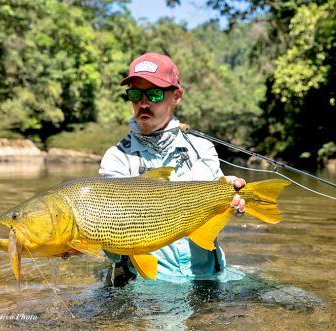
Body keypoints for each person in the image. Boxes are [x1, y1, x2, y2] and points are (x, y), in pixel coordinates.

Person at [99, 52, 246, 284]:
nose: (143, 103)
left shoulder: (202, 149)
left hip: (211, 276)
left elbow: (215, 207)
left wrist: (232, 200)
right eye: (135, 94)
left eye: (154, 93)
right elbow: (114, 248)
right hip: (152, 282)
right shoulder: (117, 158)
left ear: (176, 96)